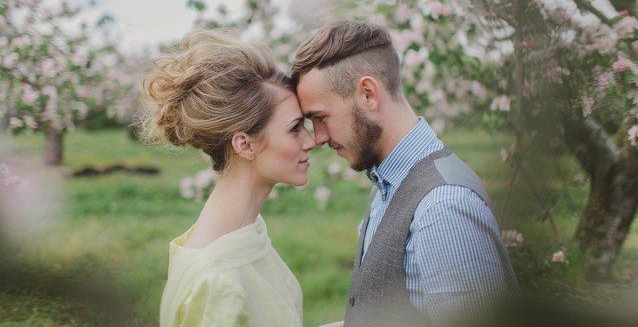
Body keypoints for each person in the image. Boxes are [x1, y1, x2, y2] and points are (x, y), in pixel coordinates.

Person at [291, 20, 519, 327]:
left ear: (368, 94)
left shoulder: (442, 208)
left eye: (321, 118)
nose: (317, 137)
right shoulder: (388, 184)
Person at [142, 29, 315, 327]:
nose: (311, 141)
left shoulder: (244, 234)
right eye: (295, 128)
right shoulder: (218, 282)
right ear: (245, 145)